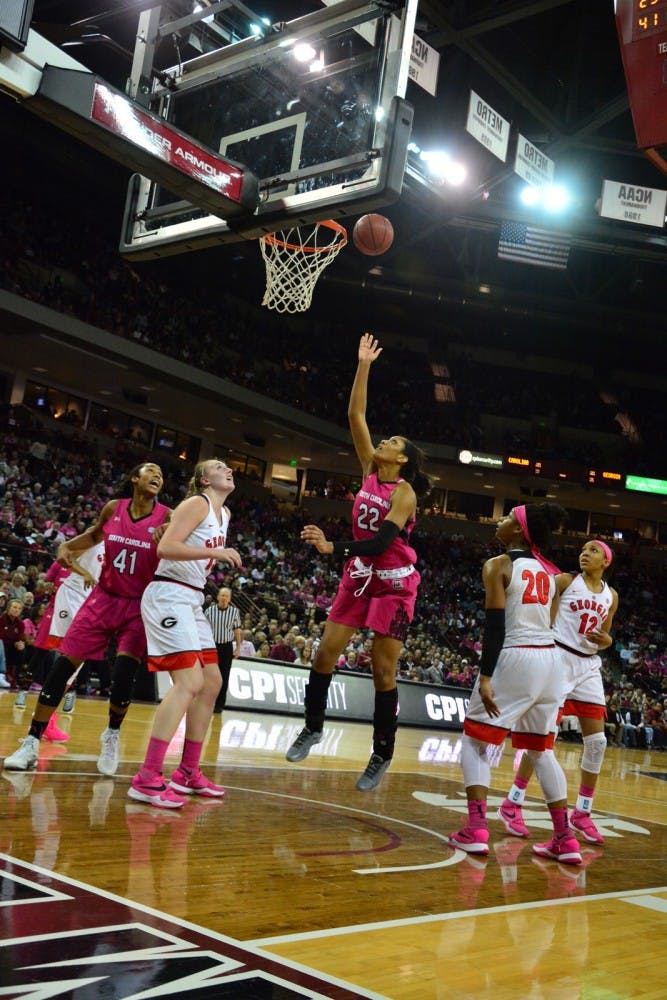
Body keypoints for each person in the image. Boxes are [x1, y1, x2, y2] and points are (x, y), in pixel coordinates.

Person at [286, 333, 430, 791]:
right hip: (360, 576)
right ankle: (312, 726)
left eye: (392, 441)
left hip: (395, 585)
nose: (382, 441)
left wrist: (333, 547)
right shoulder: (369, 467)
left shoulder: (405, 493)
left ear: (402, 459)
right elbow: (356, 415)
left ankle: (381, 753)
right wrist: (363, 364)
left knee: (381, 670)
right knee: (325, 651)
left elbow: (380, 541)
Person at [3, 463, 169, 774]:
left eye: (161, 473)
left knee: (122, 675)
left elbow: (178, 547)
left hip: (137, 605)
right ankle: (31, 742)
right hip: (103, 598)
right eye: (150, 470)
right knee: (63, 666)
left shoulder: (167, 516)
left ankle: (112, 735)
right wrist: (68, 545)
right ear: (135, 478)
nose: (157, 475)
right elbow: (94, 534)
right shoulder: (114, 508)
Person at [448, 503, 584, 865]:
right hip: (550, 662)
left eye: (508, 516)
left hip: (516, 655)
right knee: (541, 750)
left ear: (519, 530)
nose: (500, 520)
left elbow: (495, 627)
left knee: (474, 740)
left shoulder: (498, 565)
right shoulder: (548, 572)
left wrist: (487, 677)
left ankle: (476, 829)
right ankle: (565, 839)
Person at [128, 458, 242, 809]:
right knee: (189, 683)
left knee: (211, 683)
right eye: (220, 466)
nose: (228, 469)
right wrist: (214, 552)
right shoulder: (197, 504)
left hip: (191, 598)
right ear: (204, 480)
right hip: (168, 593)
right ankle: (146, 778)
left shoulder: (224, 515)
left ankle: (188, 771)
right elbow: (165, 548)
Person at [498, 539, 618, 846]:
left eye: (593, 550)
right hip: (559, 658)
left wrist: (608, 641)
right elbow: (540, 611)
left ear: (606, 561)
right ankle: (513, 802)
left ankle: (583, 813)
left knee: (598, 743)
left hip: (588, 665)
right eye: (583, 549)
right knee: (543, 737)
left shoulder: (611, 595)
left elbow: (606, 635)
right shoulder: (565, 581)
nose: (585, 553)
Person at [204, 586, 241, 714]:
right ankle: (206, 702)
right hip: (211, 646)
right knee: (208, 676)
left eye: (227, 596)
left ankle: (219, 705)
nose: (224, 598)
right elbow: (203, 629)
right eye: (222, 595)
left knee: (224, 676)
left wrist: (238, 648)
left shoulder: (234, 612)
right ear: (218, 597)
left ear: (230, 599)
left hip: (226, 646)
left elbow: (237, 630)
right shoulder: (209, 611)